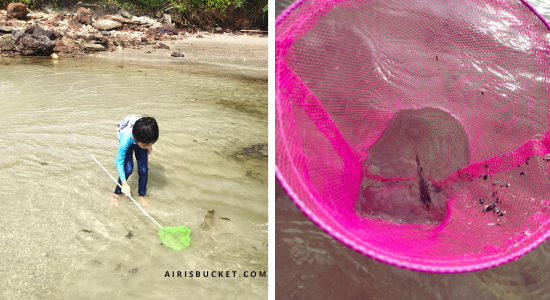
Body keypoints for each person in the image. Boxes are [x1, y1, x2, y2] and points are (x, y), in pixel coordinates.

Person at [110, 115, 159, 207]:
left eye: (151, 143)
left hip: (140, 136)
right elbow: (118, 162)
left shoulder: (146, 134)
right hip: (127, 134)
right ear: (134, 138)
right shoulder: (125, 140)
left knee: (144, 169)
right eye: (146, 144)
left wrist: (148, 145)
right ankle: (116, 193)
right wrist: (124, 183)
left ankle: (142, 195)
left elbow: (148, 137)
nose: (148, 146)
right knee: (128, 169)